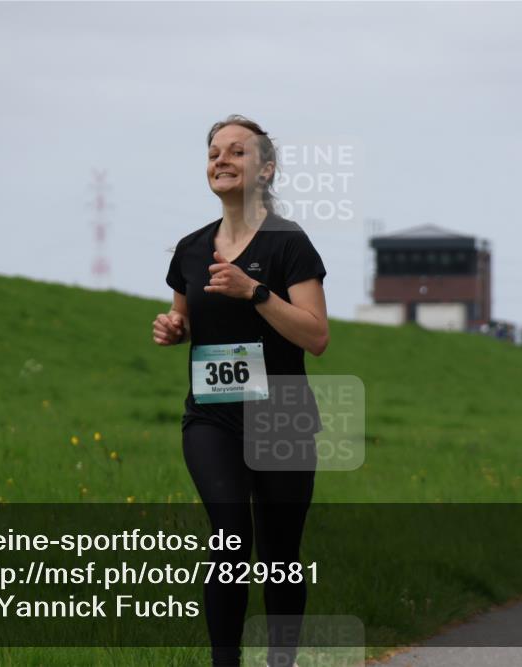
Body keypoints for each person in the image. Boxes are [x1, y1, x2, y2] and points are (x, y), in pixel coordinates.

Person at [154, 115, 329, 667]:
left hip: (283, 417)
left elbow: (316, 336)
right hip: (213, 418)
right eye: (213, 152)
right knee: (230, 536)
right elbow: (183, 319)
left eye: (237, 151)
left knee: (280, 555)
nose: (221, 160)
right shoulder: (189, 249)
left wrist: (254, 291)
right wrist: (172, 328)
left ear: (266, 168)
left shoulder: (289, 243)